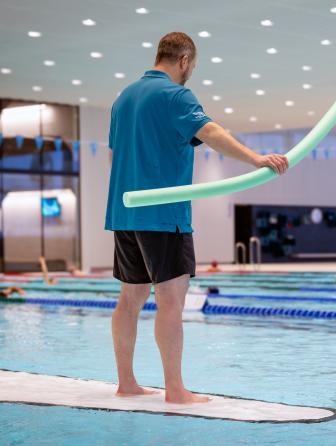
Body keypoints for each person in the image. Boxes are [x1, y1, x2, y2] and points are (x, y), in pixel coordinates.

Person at [105, 32, 289, 404]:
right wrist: (256, 159)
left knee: (129, 299)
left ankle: (126, 383)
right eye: (193, 66)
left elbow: (114, 155)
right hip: (164, 215)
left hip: (124, 212)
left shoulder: (122, 98)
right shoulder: (176, 94)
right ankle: (175, 389)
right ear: (185, 60)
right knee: (171, 300)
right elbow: (210, 131)